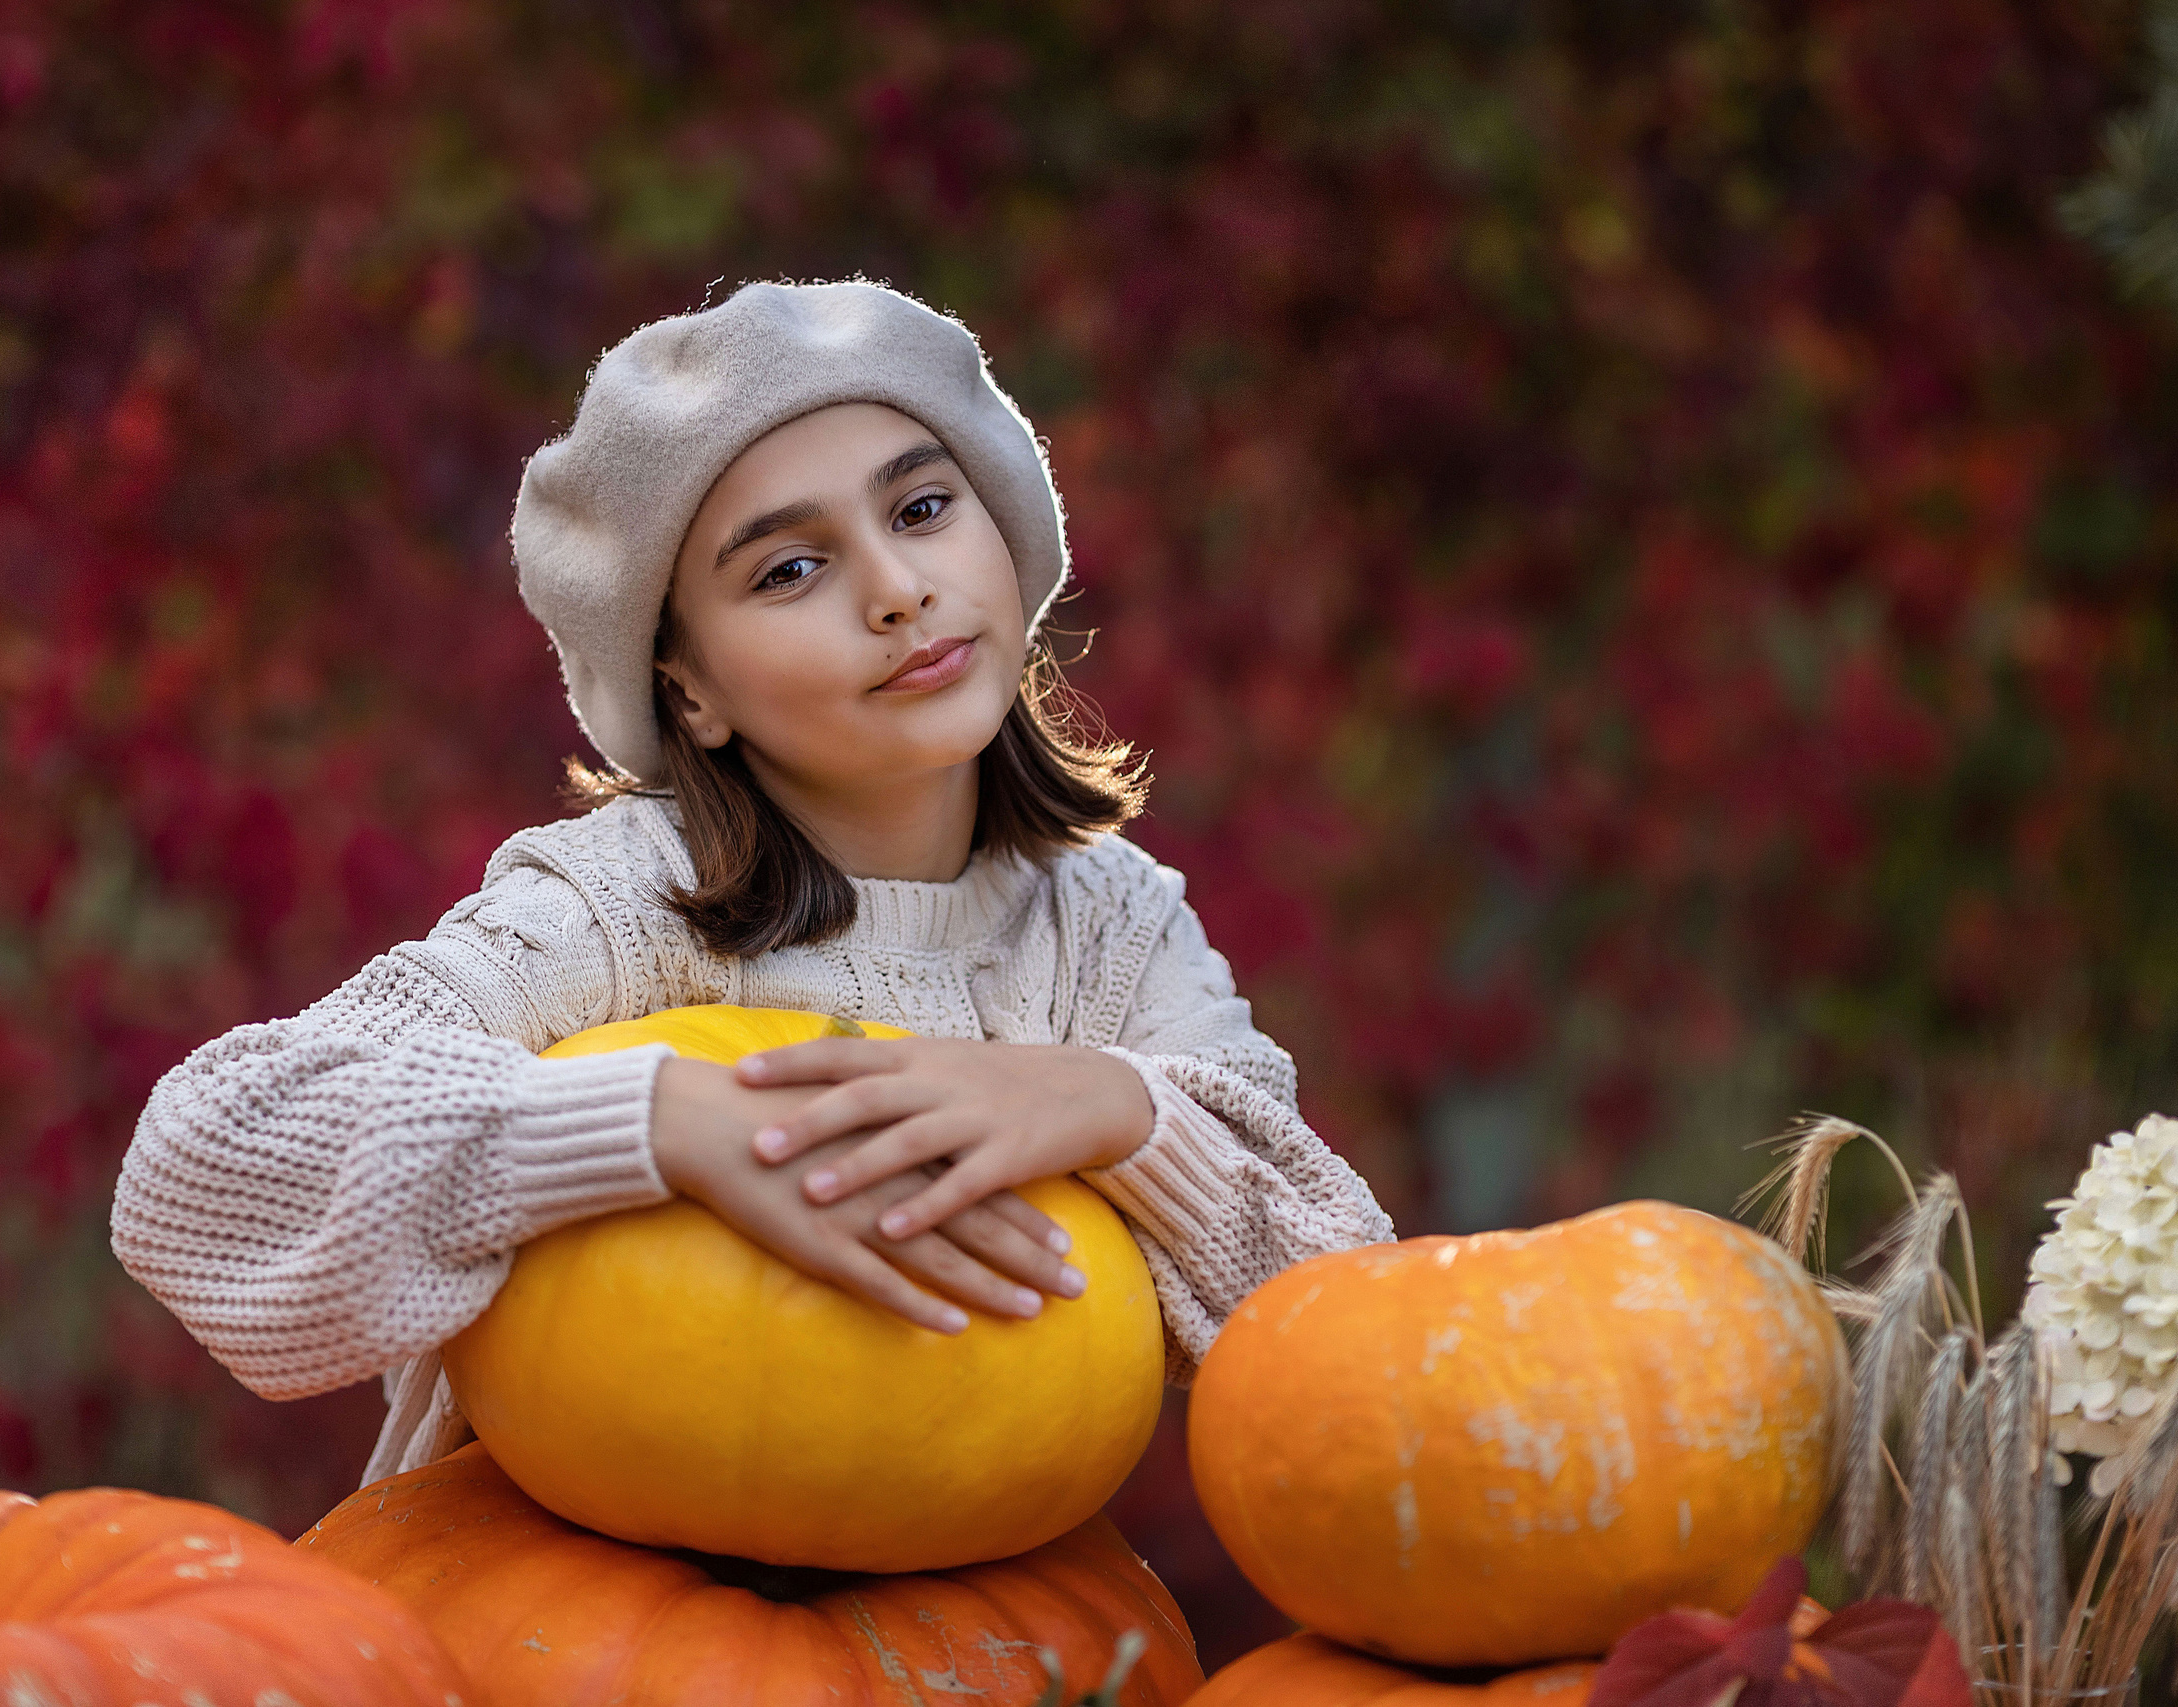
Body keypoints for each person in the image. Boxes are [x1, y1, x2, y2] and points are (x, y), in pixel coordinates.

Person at [109, 278, 1396, 1489]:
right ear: (690, 691)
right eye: (790, 570)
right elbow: (201, 1162)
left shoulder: (1109, 927)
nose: (898, 592)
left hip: (976, 1613)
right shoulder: (620, 910)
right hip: (569, 1622)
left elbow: (1361, 1349)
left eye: (922, 509)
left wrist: (1121, 1112)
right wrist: (659, 1125)